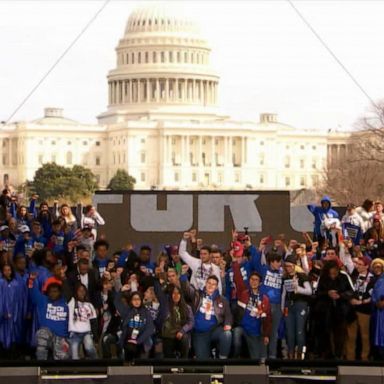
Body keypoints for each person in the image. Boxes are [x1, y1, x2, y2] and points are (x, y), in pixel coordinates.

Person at [181, 269, 232, 359]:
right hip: (199, 334)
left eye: (213, 284)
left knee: (227, 334)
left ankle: (223, 359)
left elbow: (228, 314)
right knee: (203, 362)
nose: (211, 285)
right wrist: (183, 275)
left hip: (214, 330)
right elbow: (187, 289)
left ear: (216, 287)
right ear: (206, 283)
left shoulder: (222, 300)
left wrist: (228, 324)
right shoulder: (197, 295)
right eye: (209, 283)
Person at [232, 255, 271, 360]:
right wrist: (235, 264)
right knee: (236, 333)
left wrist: (266, 335)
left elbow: (268, 319)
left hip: (256, 333)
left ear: (260, 283)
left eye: (256, 280)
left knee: (261, 359)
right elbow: (238, 278)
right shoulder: (243, 293)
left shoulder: (265, 299)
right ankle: (235, 359)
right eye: (252, 279)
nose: (253, 282)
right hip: (243, 328)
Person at [314, 260, 354, 359]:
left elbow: (351, 292)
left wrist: (340, 295)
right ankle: (327, 355)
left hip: (341, 311)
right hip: (325, 312)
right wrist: (327, 293)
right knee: (326, 335)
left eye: (335, 271)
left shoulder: (344, 277)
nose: (334, 273)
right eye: (332, 271)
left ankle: (339, 355)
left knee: (340, 335)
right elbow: (317, 293)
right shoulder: (323, 278)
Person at [29, 275, 70, 360]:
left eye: (55, 291)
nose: (53, 294)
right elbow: (33, 291)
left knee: (62, 357)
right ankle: (41, 365)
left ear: (60, 292)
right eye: (50, 292)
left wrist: (64, 279)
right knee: (42, 333)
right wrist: (31, 280)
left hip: (61, 336)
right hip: (47, 333)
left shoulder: (66, 302)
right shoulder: (43, 300)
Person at [281, 254, 312, 359]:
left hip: (300, 304)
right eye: (286, 266)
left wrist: (298, 288)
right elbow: (284, 293)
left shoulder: (302, 276)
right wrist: (282, 306)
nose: (288, 268)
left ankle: (300, 355)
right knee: (289, 331)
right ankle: (290, 354)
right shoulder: (285, 277)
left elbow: (309, 291)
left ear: (295, 266)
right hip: (288, 305)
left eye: (290, 266)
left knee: (300, 331)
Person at [155, 282, 194, 358]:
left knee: (185, 339)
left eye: (178, 293)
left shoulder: (187, 307)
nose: (176, 296)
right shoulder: (165, 306)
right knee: (167, 349)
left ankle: (183, 366)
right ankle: (170, 367)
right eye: (173, 293)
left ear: (181, 295)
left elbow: (191, 322)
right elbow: (159, 321)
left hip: (181, 333)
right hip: (168, 335)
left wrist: (182, 331)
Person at [345, 256, 374, 361]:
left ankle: (364, 358)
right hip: (352, 310)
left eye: (360, 264)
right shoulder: (353, 277)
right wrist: (350, 299)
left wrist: (361, 302)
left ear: (367, 266)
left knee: (364, 336)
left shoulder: (372, 278)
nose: (358, 266)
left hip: (365, 310)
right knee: (351, 336)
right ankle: (350, 358)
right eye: (357, 264)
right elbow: (348, 290)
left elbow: (373, 296)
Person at [114, 290, 154, 361]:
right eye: (134, 299)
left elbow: (150, 328)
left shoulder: (146, 312)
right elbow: (116, 301)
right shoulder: (127, 311)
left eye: (138, 299)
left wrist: (138, 341)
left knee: (142, 349)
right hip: (128, 339)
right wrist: (121, 291)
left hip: (141, 340)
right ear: (131, 301)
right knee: (129, 348)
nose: (136, 301)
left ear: (141, 300)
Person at [68, 284, 98, 359]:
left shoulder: (89, 305)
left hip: (86, 332)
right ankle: (76, 370)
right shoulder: (72, 302)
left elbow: (93, 321)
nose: (81, 292)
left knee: (89, 348)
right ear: (76, 292)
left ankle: (97, 364)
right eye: (79, 291)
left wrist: (95, 336)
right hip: (74, 333)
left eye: (83, 290)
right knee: (74, 356)